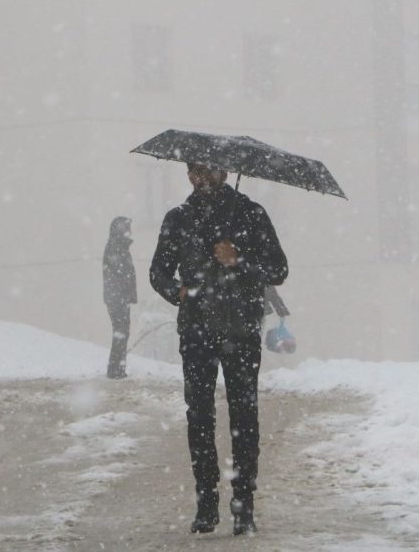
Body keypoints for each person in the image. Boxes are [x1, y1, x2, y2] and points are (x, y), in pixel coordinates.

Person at [150, 163, 288, 536]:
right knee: (199, 416)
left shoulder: (250, 213)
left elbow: (278, 269)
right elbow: (158, 272)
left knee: (244, 417)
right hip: (196, 330)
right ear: (188, 174)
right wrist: (176, 290)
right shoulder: (178, 218)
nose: (201, 177)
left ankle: (243, 506)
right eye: (194, 170)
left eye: (209, 170)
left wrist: (238, 260)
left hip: (241, 330)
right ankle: (206, 503)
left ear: (225, 172)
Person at [103, 216, 137, 379]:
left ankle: (117, 368)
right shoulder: (116, 247)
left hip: (119, 297)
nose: (130, 232)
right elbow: (121, 273)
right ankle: (115, 368)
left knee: (122, 331)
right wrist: (124, 294)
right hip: (117, 297)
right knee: (121, 331)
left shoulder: (118, 246)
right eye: (127, 228)